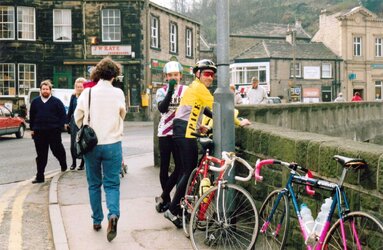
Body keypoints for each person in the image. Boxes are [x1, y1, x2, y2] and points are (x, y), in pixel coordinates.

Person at [164, 59, 250, 228]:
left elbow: (203, 111)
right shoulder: (199, 88)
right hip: (184, 132)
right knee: (188, 171)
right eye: (206, 74)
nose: (210, 77)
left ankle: (182, 207)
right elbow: (219, 109)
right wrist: (238, 122)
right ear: (198, 74)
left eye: (212, 74)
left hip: (183, 129)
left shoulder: (195, 88)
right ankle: (172, 210)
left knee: (186, 171)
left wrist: (200, 126)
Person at [74, 57, 126, 242]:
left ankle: (97, 220)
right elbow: (122, 114)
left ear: (97, 74)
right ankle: (113, 215)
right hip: (113, 144)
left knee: (94, 184)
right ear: (114, 75)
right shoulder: (118, 93)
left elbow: (77, 117)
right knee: (112, 183)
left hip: (92, 145)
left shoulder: (87, 93)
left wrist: (86, 125)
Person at [155, 61, 186, 213]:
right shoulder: (161, 91)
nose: (173, 77)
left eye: (176, 75)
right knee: (165, 167)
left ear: (180, 75)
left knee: (180, 167)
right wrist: (170, 91)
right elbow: (162, 108)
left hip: (179, 132)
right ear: (166, 77)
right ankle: (167, 201)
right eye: (170, 75)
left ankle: (164, 196)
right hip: (165, 133)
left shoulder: (186, 90)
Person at [29, 80, 67, 183]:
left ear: (50, 90)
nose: (45, 91)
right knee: (41, 155)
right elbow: (32, 116)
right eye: (43, 89)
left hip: (53, 132)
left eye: (47, 89)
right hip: (39, 132)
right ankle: (40, 176)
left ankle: (63, 164)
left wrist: (60, 127)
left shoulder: (57, 102)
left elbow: (63, 115)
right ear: (40, 90)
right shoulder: (35, 102)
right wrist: (32, 129)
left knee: (57, 151)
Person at [66, 77, 86, 170]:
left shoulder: (86, 96)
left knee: (83, 143)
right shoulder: (73, 96)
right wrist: (67, 122)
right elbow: (70, 110)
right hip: (74, 121)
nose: (79, 88)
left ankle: (82, 163)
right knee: (73, 143)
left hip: (84, 121)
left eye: (81, 87)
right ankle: (73, 162)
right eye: (77, 87)